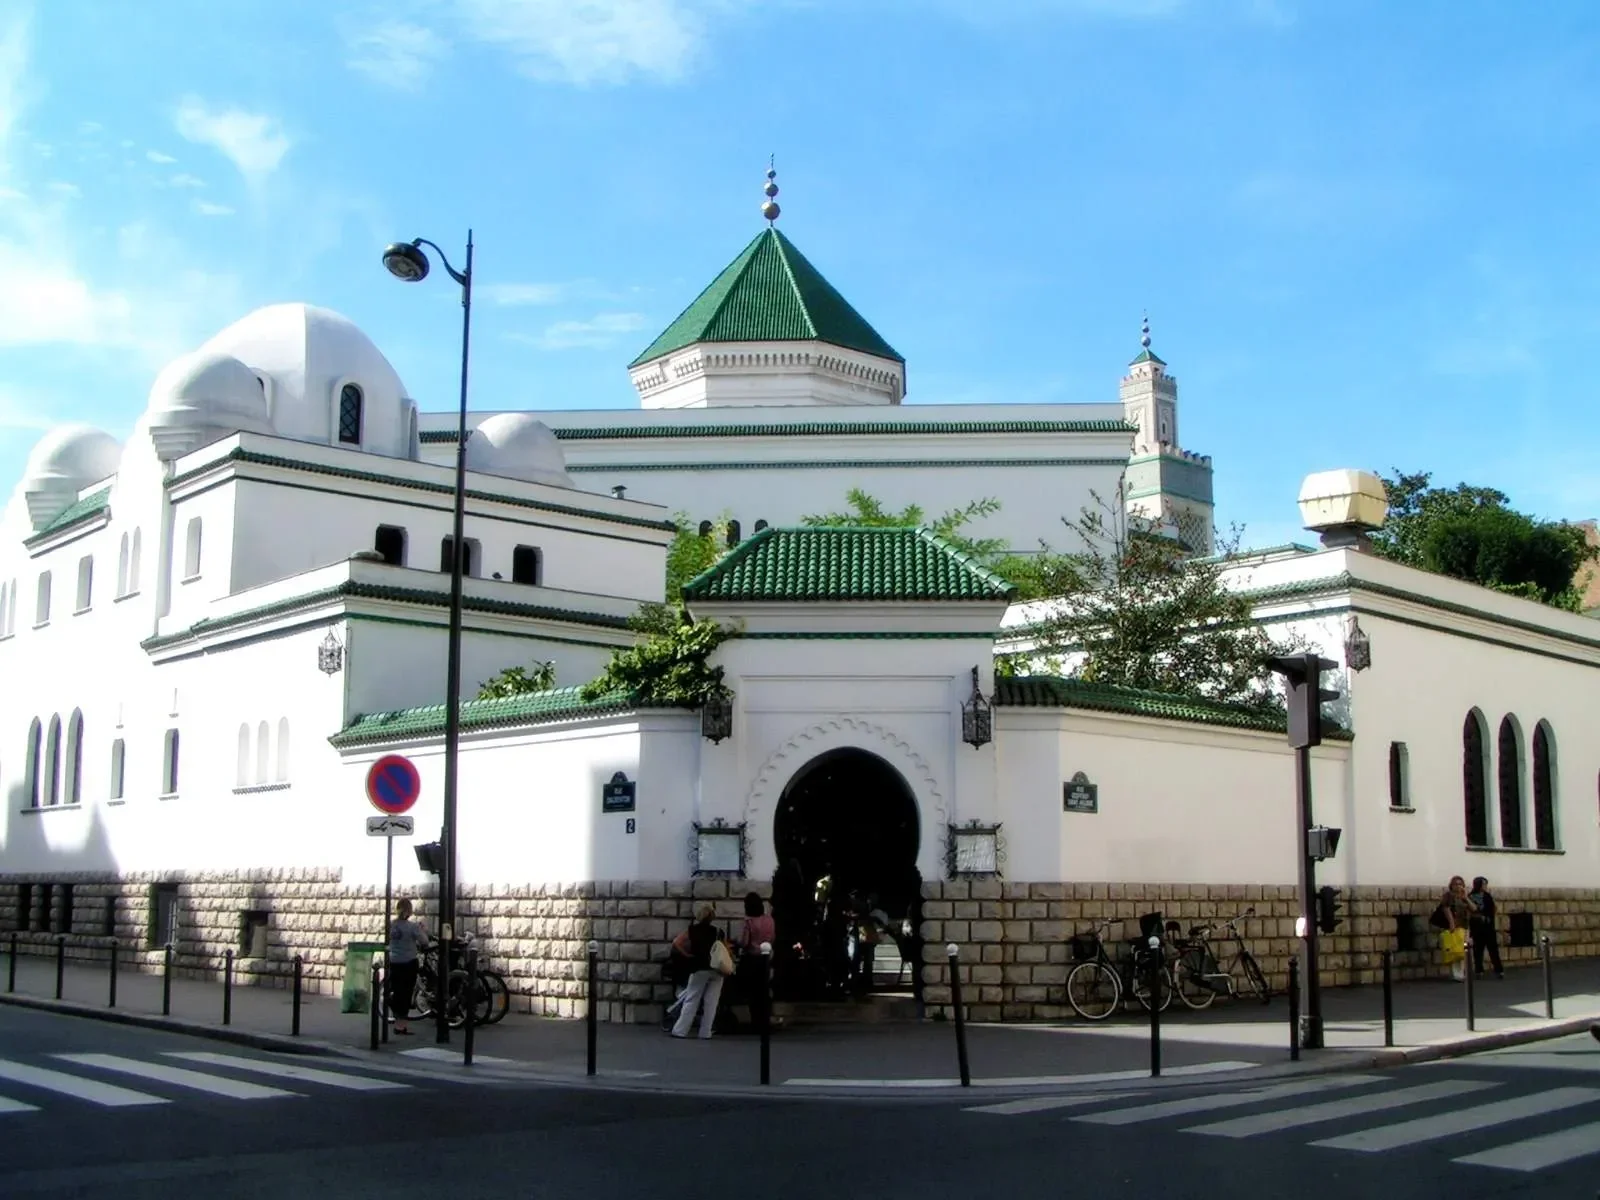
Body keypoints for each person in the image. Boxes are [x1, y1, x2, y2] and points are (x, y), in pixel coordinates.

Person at [670, 905, 728, 1039]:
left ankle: (680, 1030)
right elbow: (725, 950)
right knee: (711, 1002)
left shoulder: (692, 930)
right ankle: (705, 1032)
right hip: (716, 970)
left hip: (698, 968)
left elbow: (676, 942)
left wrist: (687, 955)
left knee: (691, 999)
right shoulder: (718, 931)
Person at [386, 898, 430, 1035]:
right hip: (408, 962)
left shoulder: (391, 924)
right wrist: (422, 930)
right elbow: (424, 941)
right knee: (406, 994)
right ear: (409, 911)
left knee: (397, 992)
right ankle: (401, 1026)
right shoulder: (412, 927)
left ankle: (398, 1023)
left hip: (394, 962)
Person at [1434, 875, 1474, 982]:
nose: (1458, 886)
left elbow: (1474, 908)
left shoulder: (1464, 896)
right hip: (1454, 928)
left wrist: (1466, 898)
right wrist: (1451, 923)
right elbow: (1446, 908)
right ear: (1451, 885)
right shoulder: (1448, 896)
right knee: (1455, 950)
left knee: (1463, 950)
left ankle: (1462, 972)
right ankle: (1456, 974)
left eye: (1460, 884)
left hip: (1464, 927)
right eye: (1455, 884)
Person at [1468, 876, 1504, 980]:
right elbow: (1471, 911)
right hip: (1477, 926)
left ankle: (1498, 970)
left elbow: (1493, 908)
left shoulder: (1487, 896)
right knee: (1478, 950)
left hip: (1488, 926)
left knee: (1493, 949)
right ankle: (1479, 970)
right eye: (1484, 884)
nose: (1485, 886)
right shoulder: (1470, 897)